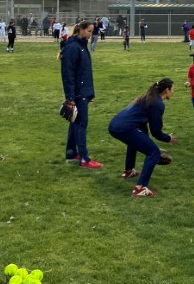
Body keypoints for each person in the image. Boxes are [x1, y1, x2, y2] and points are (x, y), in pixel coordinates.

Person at [108, 78, 178, 198]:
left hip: (114, 125)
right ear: (167, 90)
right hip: (125, 127)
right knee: (154, 153)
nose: (173, 92)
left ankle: (129, 171)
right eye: (173, 90)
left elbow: (142, 126)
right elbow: (156, 132)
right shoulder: (158, 104)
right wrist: (168, 138)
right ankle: (140, 188)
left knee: (135, 142)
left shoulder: (147, 97)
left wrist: (147, 143)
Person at [61, 20, 101, 169]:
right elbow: (68, 75)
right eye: (89, 31)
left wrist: (90, 93)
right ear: (81, 30)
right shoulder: (73, 48)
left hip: (83, 91)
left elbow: (84, 73)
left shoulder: (82, 47)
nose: (91, 34)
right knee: (81, 124)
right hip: (78, 93)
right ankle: (84, 158)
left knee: (75, 121)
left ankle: (71, 153)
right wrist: (70, 98)